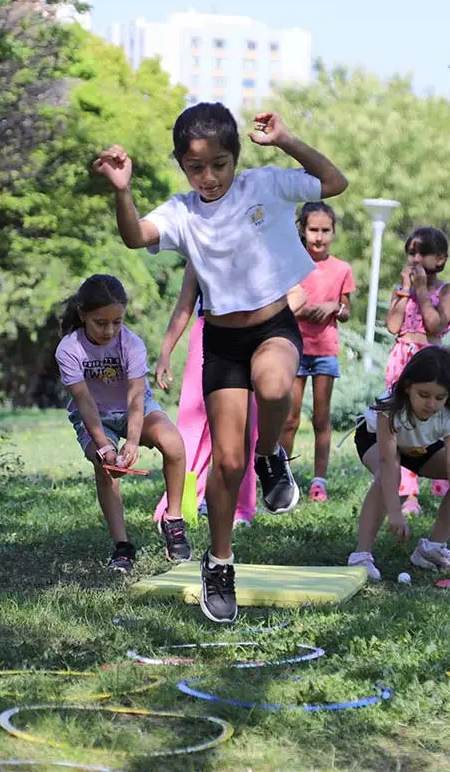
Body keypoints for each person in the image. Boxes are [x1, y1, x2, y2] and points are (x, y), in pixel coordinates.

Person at [94, 103, 348, 622]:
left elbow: (334, 182)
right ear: (182, 166)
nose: (209, 177)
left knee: (276, 389)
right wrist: (122, 189)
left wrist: (287, 140)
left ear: (236, 158)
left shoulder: (265, 186)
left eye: (220, 165)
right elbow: (134, 236)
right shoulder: (183, 212)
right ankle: (220, 562)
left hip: (274, 327)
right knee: (228, 464)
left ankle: (273, 453)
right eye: (196, 168)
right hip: (223, 344)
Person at [153, 264, 309, 529]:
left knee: (243, 426)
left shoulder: (259, 243)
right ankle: (177, 504)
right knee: (191, 421)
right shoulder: (198, 247)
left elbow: (298, 293)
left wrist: (265, 324)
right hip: (208, 334)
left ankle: (241, 508)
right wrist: (166, 350)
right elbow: (184, 305)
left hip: (252, 339)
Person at [55, 274, 191, 572]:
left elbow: (136, 398)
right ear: (83, 315)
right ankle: (123, 546)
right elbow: (85, 403)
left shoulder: (131, 344)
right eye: (100, 322)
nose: (110, 330)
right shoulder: (69, 349)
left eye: (117, 322)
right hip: (94, 415)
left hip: (133, 409)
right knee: (107, 470)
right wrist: (105, 447)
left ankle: (174, 521)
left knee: (174, 443)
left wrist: (131, 441)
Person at [349, 345, 450, 581]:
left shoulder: (448, 414)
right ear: (408, 387)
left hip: (419, 444)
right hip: (377, 440)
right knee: (390, 476)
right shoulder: (391, 406)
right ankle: (361, 556)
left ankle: (432, 549)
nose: (431, 404)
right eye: (424, 395)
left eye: (439, 397)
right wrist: (395, 512)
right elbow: (387, 461)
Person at [281, 201, 355, 502]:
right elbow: (281, 304)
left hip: (325, 349)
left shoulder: (341, 269)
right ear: (302, 230)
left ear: (334, 233)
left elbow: (347, 309)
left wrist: (334, 307)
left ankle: (319, 481)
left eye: (326, 231)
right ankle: (281, 477)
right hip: (294, 348)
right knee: (290, 418)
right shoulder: (291, 263)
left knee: (322, 418)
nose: (319, 237)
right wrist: (302, 309)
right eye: (313, 230)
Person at [384, 227, 450, 516]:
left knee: (435, 422)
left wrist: (421, 292)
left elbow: (435, 325)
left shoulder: (448, 290)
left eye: (422, 252)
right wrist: (405, 291)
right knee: (402, 424)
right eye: (410, 253)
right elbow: (392, 326)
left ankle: (447, 483)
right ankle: (408, 493)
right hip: (403, 360)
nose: (414, 258)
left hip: (431, 361)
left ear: (439, 259)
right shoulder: (402, 289)